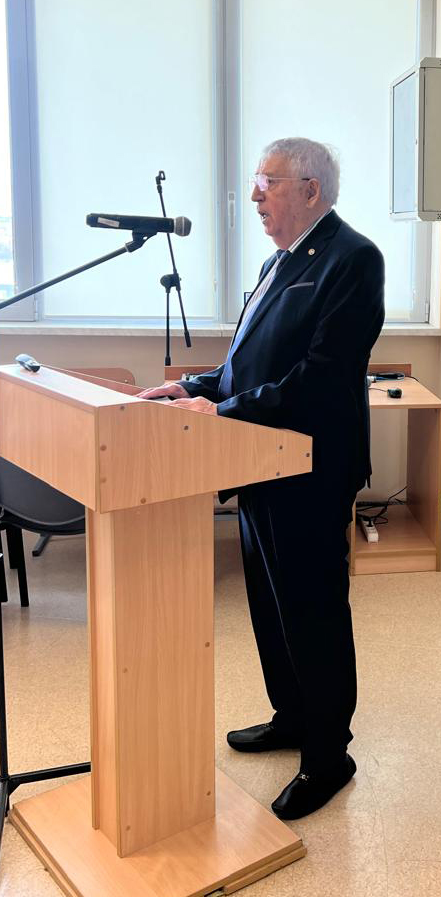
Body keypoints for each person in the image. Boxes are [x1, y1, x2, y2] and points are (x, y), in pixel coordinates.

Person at [139, 137, 384, 819]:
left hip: (310, 467)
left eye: (267, 182)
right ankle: (292, 716)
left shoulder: (354, 258)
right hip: (255, 463)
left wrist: (221, 412)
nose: (255, 195)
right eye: (257, 181)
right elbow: (246, 365)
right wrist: (194, 388)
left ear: (310, 190)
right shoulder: (277, 262)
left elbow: (320, 379)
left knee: (313, 611)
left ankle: (329, 757)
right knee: (271, 608)